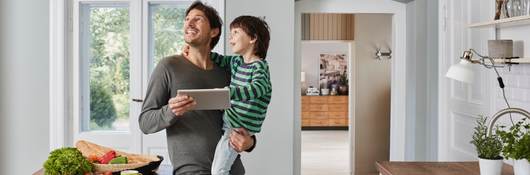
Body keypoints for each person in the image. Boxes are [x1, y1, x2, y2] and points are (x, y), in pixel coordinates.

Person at [138, 1, 256, 174]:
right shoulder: (168, 67)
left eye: (198, 19)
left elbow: (245, 116)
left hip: (232, 170)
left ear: (214, 31)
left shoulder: (228, 71)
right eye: (186, 19)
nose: (189, 23)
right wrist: (171, 111)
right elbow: (145, 122)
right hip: (190, 171)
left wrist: (250, 142)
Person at [208, 16, 272, 175]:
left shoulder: (259, 66)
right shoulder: (237, 61)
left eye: (235, 33)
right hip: (231, 123)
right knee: (218, 169)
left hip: (237, 128)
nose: (231, 38)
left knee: (219, 171)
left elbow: (259, 88)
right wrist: (204, 52)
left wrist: (230, 93)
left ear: (253, 38)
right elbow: (219, 59)